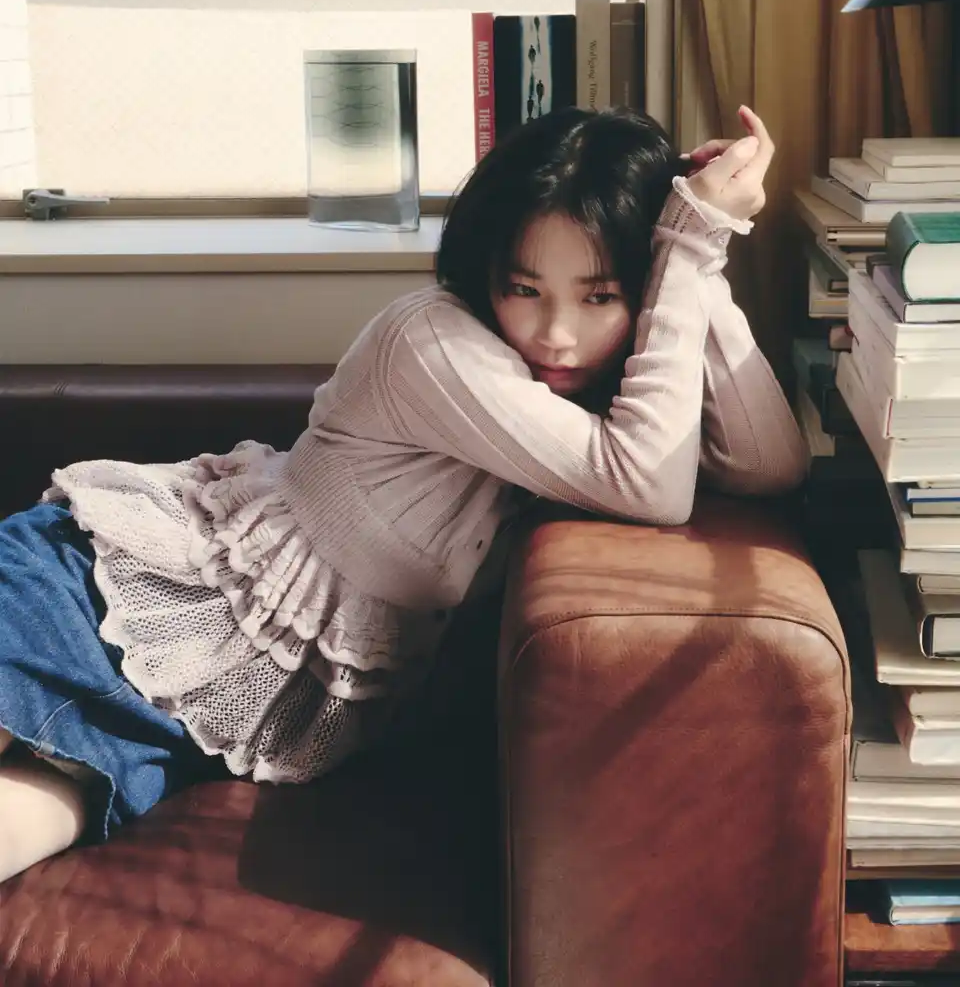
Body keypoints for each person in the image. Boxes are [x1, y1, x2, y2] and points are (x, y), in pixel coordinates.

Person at [0, 103, 806, 883]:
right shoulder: (430, 339)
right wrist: (690, 239)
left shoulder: (593, 397)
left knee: (47, 812)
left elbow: (770, 463)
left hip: (188, 711)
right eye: (523, 288)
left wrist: (693, 254)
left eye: (600, 296)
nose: (556, 334)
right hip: (95, 591)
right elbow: (650, 485)